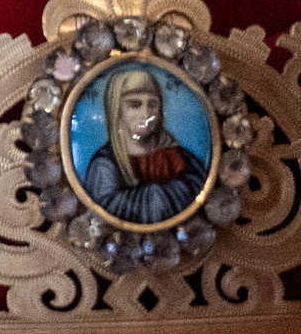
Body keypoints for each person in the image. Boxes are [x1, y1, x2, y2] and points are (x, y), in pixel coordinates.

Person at [81, 65, 208, 225]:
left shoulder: (178, 156)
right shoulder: (104, 164)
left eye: (152, 104)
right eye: (135, 104)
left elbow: (198, 188)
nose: (146, 113)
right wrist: (157, 195)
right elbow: (105, 209)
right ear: (117, 110)